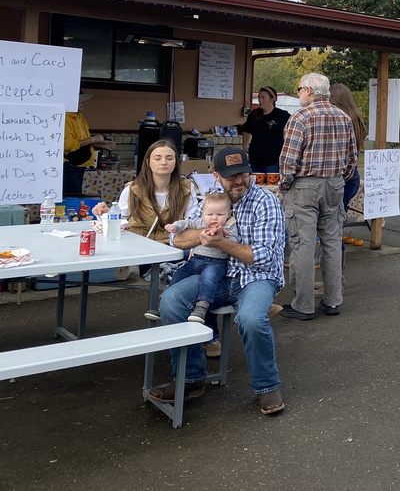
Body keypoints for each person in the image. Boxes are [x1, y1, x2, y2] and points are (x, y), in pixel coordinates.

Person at [148, 146, 287, 415]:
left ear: (250, 172)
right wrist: (202, 236)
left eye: (243, 174)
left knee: (251, 319)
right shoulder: (211, 200)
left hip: (256, 276)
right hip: (215, 275)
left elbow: (264, 257)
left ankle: (267, 386)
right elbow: (177, 238)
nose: (238, 181)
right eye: (230, 176)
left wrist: (221, 242)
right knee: (171, 301)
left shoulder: (266, 201)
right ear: (216, 176)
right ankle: (190, 380)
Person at [278, 72, 357, 320]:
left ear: (309, 91)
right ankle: (333, 301)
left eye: (300, 88)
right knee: (332, 242)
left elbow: (288, 160)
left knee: (303, 244)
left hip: (305, 186)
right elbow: (352, 157)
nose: (299, 92)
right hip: (334, 184)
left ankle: (303, 304)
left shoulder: (300, 117)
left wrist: (285, 183)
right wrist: (340, 177)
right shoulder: (343, 116)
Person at [151, 192, 235, 324]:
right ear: (203, 214)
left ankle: (202, 306)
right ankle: (163, 305)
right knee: (179, 274)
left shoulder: (229, 226)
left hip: (216, 263)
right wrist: (174, 226)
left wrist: (223, 237)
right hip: (195, 259)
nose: (214, 218)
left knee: (208, 280)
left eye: (220, 214)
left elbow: (234, 243)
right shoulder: (200, 222)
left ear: (228, 214)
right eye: (209, 214)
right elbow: (186, 223)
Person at [94, 139, 198, 244]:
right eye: (157, 158)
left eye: (169, 158)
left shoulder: (187, 188)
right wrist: (105, 213)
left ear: (176, 162)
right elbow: (119, 222)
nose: (163, 162)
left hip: (170, 248)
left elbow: (193, 223)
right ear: (148, 163)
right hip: (136, 247)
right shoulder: (132, 190)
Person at [63, 95, 114, 196]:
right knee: (72, 197)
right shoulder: (65, 119)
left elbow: (82, 141)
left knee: (76, 194)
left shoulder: (80, 118)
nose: (82, 104)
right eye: (79, 101)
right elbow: (68, 145)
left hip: (80, 164)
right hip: (69, 164)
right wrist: (93, 139)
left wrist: (98, 144)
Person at [329, 83, 367, 210]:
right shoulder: (356, 119)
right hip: (352, 175)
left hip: (339, 175)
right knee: (338, 216)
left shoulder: (340, 120)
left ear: (334, 99)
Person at [239, 86, 291, 173]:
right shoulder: (254, 114)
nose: (260, 100)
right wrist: (245, 146)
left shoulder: (282, 115)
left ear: (272, 99)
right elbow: (246, 130)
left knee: (271, 185)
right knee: (255, 183)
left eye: (263, 97)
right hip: (255, 158)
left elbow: (291, 132)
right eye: (259, 97)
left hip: (273, 159)